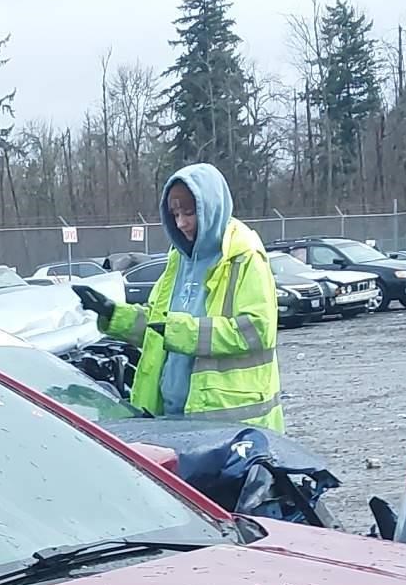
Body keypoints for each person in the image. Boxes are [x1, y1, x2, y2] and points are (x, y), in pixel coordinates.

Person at [74, 163, 283, 430]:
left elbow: (257, 330)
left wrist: (181, 332)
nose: (181, 223)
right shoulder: (179, 260)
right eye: (174, 214)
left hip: (230, 425)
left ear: (212, 208)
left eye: (189, 212)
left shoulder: (244, 258)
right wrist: (113, 315)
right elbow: (158, 326)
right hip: (173, 418)